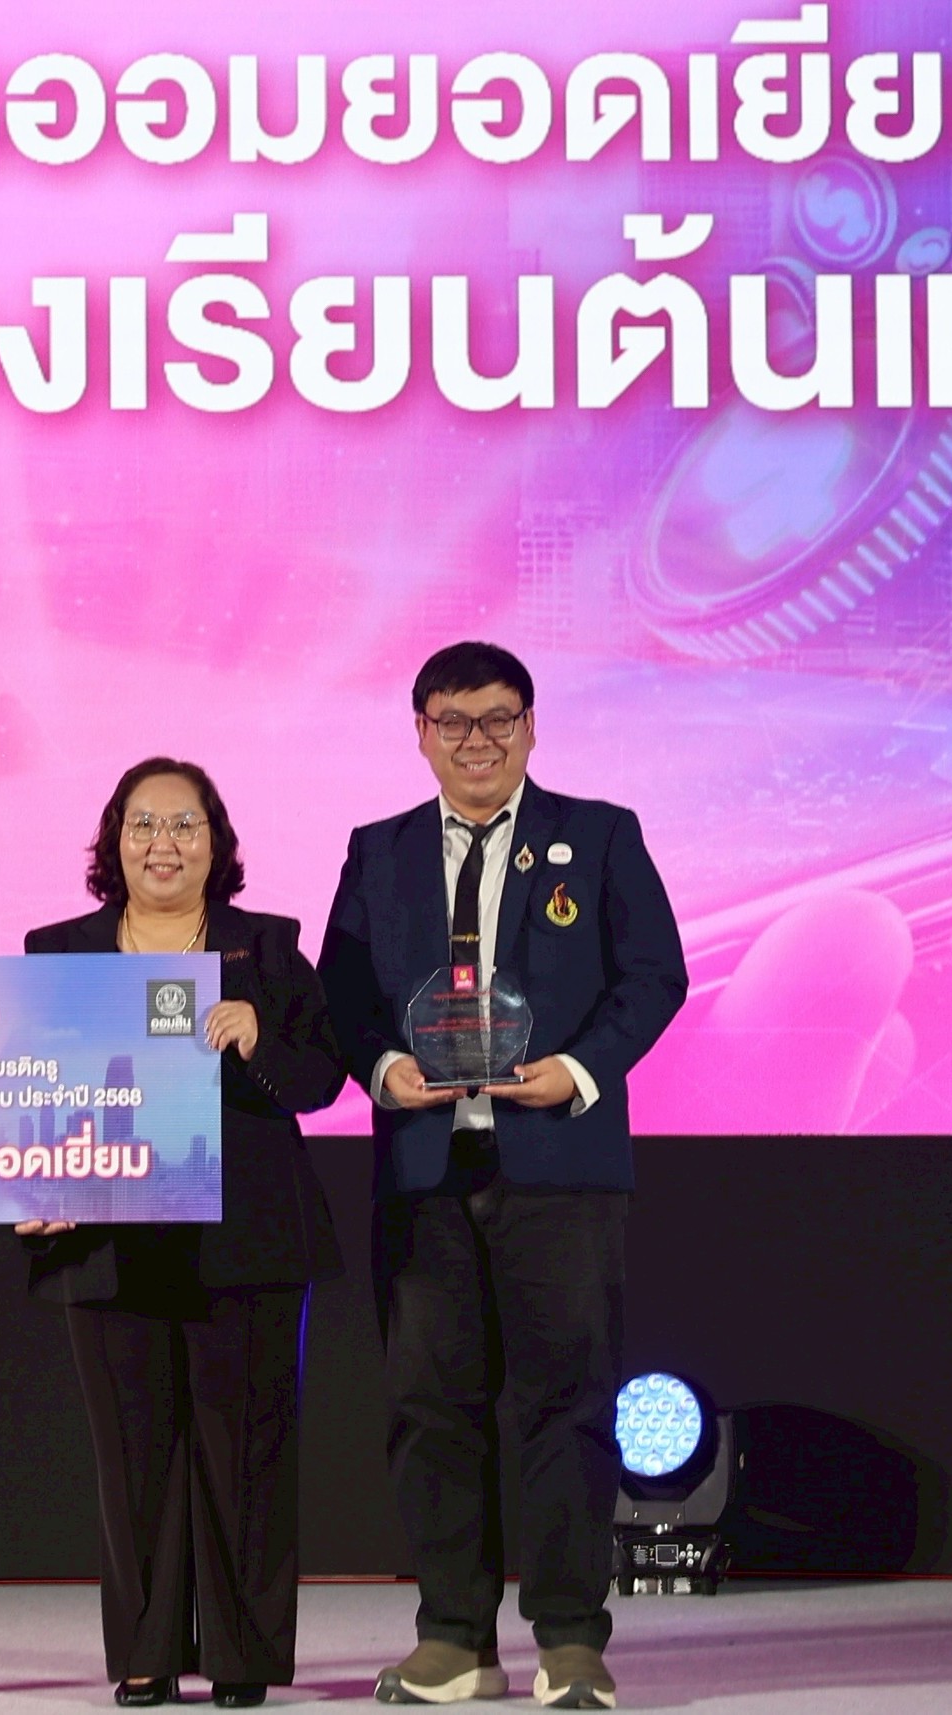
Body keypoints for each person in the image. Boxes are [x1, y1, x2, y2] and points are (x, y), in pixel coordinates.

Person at [318, 644, 687, 1712]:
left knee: (566, 1404)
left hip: (558, 1163)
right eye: (453, 720)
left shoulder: (599, 835)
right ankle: (454, 1638)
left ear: (530, 726)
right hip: (424, 1168)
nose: (475, 740)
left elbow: (654, 975)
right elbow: (341, 992)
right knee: (429, 1405)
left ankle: (569, 1639)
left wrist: (578, 1070)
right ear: (420, 732)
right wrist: (381, 1068)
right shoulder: (378, 850)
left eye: (497, 719)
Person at [18, 758, 346, 1711]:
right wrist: (25, 1183)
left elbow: (321, 1079)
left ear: (216, 842)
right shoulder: (57, 953)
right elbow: (21, 1088)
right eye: (143, 824)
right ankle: (145, 1652)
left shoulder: (266, 948)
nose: (162, 843)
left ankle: (242, 1656)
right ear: (113, 841)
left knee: (246, 1452)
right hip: (101, 1239)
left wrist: (259, 1036)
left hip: (245, 1239)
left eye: (184, 824)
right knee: (131, 1457)